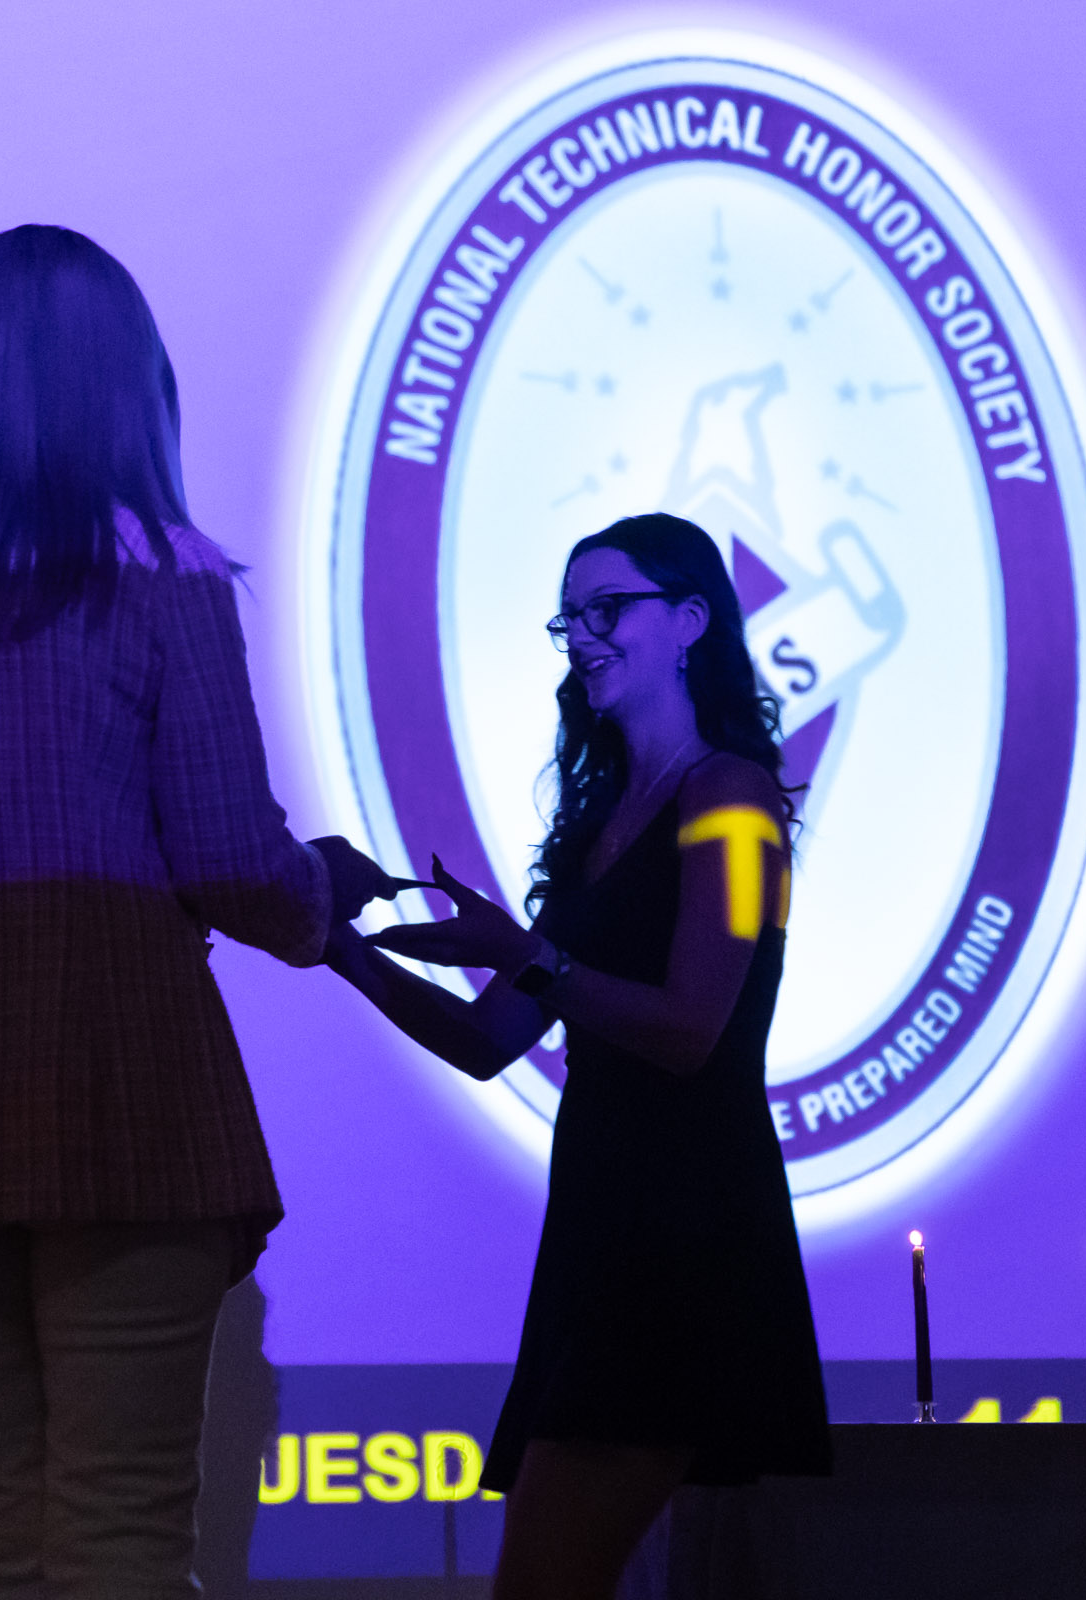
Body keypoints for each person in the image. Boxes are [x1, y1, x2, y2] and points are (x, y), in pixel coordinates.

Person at [0, 224, 398, 1598]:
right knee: (119, 1533)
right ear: (125, 385)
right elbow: (229, 851)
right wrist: (319, 901)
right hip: (114, 1066)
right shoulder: (161, 571)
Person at [324, 512, 831, 1600]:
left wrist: (534, 955)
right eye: (571, 618)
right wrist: (338, 948)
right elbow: (484, 1037)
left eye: (610, 609)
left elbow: (696, 1027)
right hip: (608, 1228)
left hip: (684, 1230)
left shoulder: (735, 801)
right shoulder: (600, 821)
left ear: (692, 618)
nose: (583, 637)